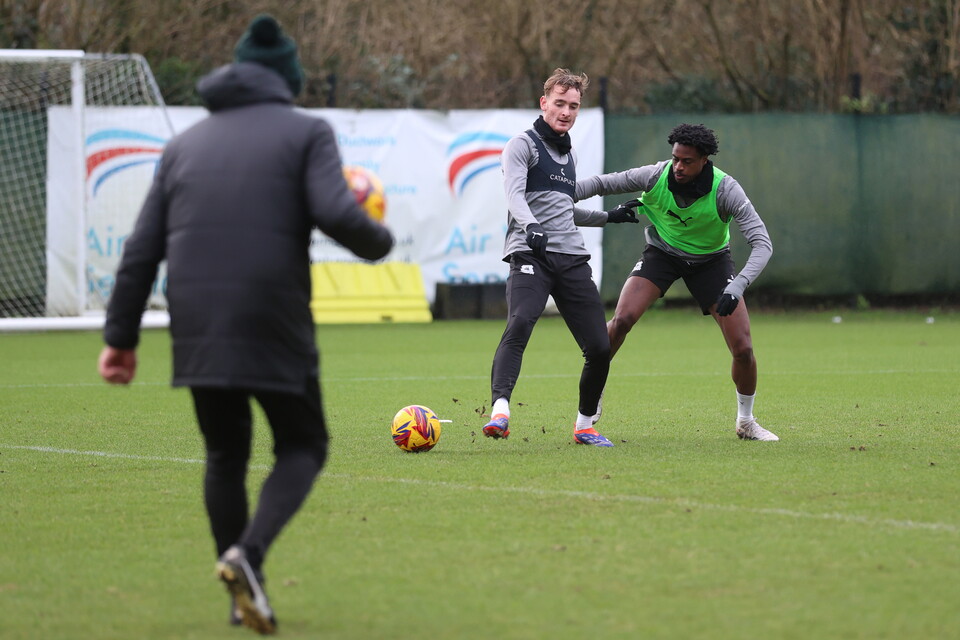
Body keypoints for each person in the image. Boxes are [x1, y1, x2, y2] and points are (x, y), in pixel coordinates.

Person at [97, 14, 394, 634]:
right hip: (272, 316)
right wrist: (378, 239)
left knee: (225, 453)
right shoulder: (306, 132)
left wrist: (120, 340)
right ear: (288, 79)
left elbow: (140, 249)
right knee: (304, 445)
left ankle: (242, 597)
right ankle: (247, 556)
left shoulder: (183, 146)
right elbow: (337, 212)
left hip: (196, 322)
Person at [575, 123, 778, 441]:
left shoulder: (726, 190)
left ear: (704, 160)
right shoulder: (655, 175)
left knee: (743, 348)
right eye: (675, 159)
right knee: (622, 319)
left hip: (711, 262)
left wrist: (736, 286)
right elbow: (602, 183)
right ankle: (594, 391)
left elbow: (763, 244)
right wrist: (559, 194)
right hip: (662, 254)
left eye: (687, 161)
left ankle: (746, 421)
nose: (678, 167)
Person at [483, 68, 641, 448]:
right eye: (559, 103)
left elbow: (564, 211)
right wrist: (531, 227)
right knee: (520, 323)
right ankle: (500, 411)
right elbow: (515, 196)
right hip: (530, 252)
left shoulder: (567, 154)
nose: (566, 112)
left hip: (570, 258)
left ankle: (585, 425)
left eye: (573, 106)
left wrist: (608, 217)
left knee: (600, 347)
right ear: (544, 103)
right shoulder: (522, 145)